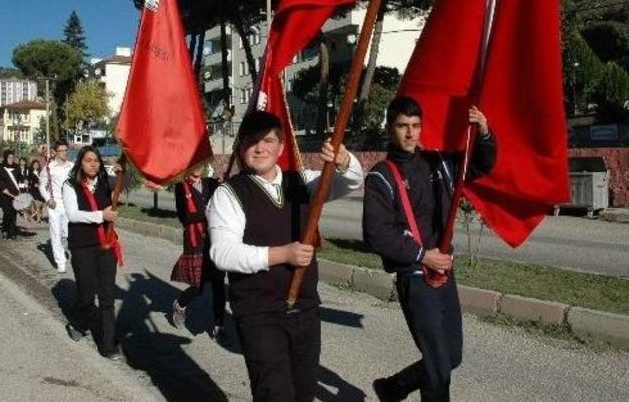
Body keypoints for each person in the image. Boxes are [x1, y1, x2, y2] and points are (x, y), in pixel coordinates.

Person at [206, 111, 363, 402]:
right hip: (259, 312)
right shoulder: (228, 194)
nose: (260, 148)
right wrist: (282, 254)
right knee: (274, 394)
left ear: (281, 147)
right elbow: (223, 253)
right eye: (252, 142)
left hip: (304, 309)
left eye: (268, 141)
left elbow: (350, 182)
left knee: (303, 393)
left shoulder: (302, 181)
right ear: (241, 148)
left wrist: (344, 162)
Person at [365, 96, 496, 402]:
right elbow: (377, 234)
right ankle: (399, 389)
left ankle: (393, 387)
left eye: (415, 126)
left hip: (444, 277)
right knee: (438, 370)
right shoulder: (380, 177)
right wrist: (423, 255)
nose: (410, 133)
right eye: (402, 126)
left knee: (451, 357)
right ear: (389, 129)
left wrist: (485, 132)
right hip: (415, 279)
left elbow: (478, 165)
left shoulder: (439, 163)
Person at [62, 146, 122, 360]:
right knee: (87, 295)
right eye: (88, 160)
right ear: (80, 163)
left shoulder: (106, 182)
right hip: (83, 246)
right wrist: (101, 215)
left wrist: (122, 171)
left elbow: (125, 187)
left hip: (106, 246)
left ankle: (108, 346)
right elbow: (72, 214)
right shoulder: (70, 185)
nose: (93, 164)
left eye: (96, 160)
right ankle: (77, 322)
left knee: (107, 296)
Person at [169, 163, 227, 344]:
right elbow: (184, 216)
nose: (197, 168)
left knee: (219, 285)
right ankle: (180, 304)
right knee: (198, 286)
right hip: (195, 242)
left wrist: (226, 184)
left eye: (200, 164)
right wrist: (206, 213)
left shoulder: (212, 183)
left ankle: (219, 327)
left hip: (216, 239)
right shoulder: (181, 187)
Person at [40, 141, 73, 273]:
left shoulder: (72, 166)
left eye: (66, 150)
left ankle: (63, 248)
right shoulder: (49, 167)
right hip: (55, 203)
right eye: (61, 150)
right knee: (56, 232)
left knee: (66, 233)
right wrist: (48, 199)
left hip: (69, 203)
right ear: (55, 152)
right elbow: (42, 185)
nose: (64, 153)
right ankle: (60, 262)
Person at [0, 150, 23, 239]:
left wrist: (24, 183)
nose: (11, 159)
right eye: (9, 157)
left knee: (14, 213)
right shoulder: (1, 167)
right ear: (6, 158)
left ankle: (12, 232)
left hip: (15, 194)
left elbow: (20, 179)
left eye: (12, 157)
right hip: (5, 194)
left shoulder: (17, 167)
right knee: (7, 212)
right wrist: (3, 188)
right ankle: (5, 229)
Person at [27, 158, 45, 223]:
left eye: (37, 165)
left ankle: (37, 213)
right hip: (34, 190)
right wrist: (33, 184)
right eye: (35, 165)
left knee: (41, 205)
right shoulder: (31, 173)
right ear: (32, 166)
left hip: (41, 190)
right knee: (37, 204)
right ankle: (38, 218)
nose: (36, 166)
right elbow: (28, 181)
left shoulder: (41, 172)